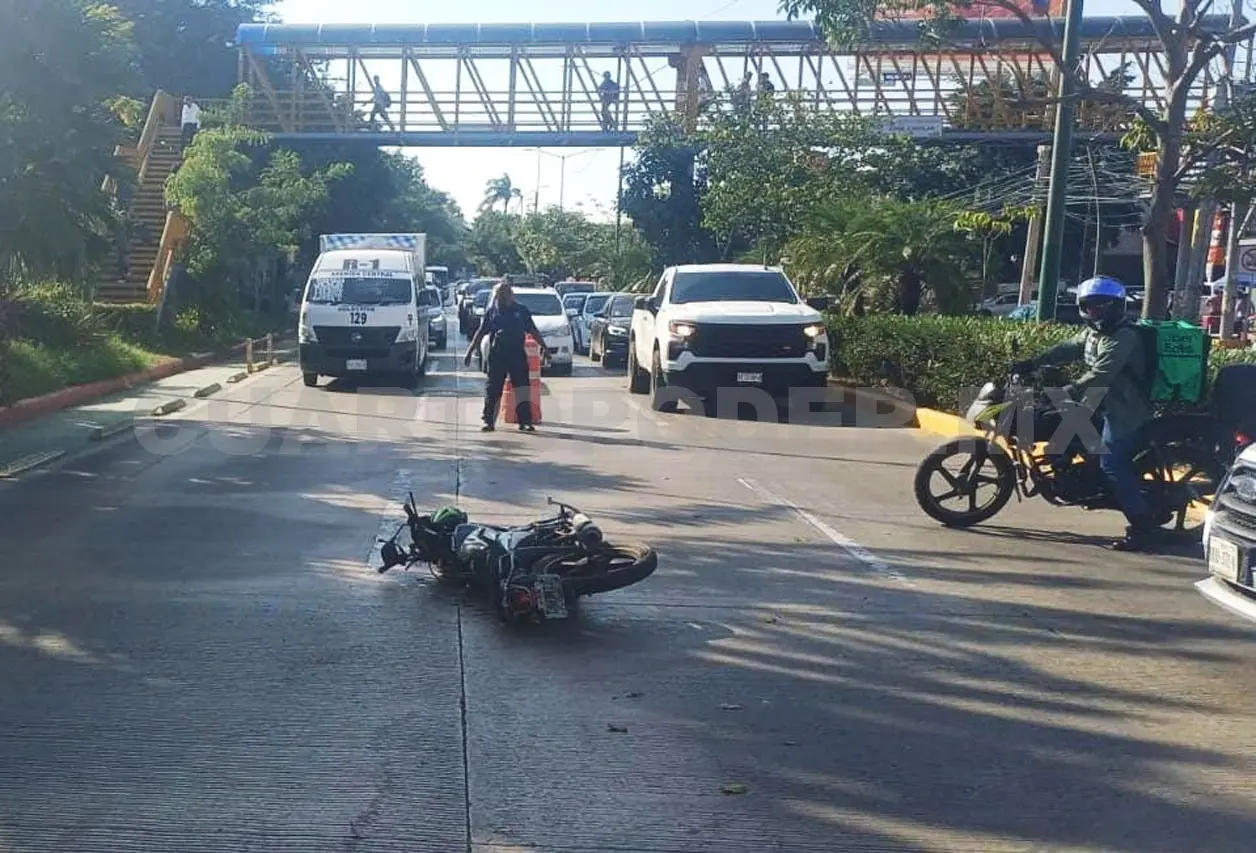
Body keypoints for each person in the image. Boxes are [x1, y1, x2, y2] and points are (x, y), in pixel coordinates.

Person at [1011, 276, 1158, 552]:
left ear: (1116, 306)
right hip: (1100, 402)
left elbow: (1101, 374)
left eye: (1101, 305)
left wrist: (1068, 390)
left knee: (1111, 464)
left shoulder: (1124, 337)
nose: (1094, 311)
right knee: (1063, 426)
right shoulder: (1093, 333)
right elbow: (1067, 349)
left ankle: (1143, 527)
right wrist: (1032, 363)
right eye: (1089, 306)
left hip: (1124, 409)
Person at [464, 279, 545, 432]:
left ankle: (525, 421)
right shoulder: (492, 311)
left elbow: (533, 330)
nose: (501, 297)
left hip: (517, 354)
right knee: (493, 389)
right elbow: (481, 331)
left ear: (511, 295)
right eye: (498, 294)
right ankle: (488, 421)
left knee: (522, 388)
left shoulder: (521, 311)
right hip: (497, 355)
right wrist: (470, 351)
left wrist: (544, 347)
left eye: (504, 293)